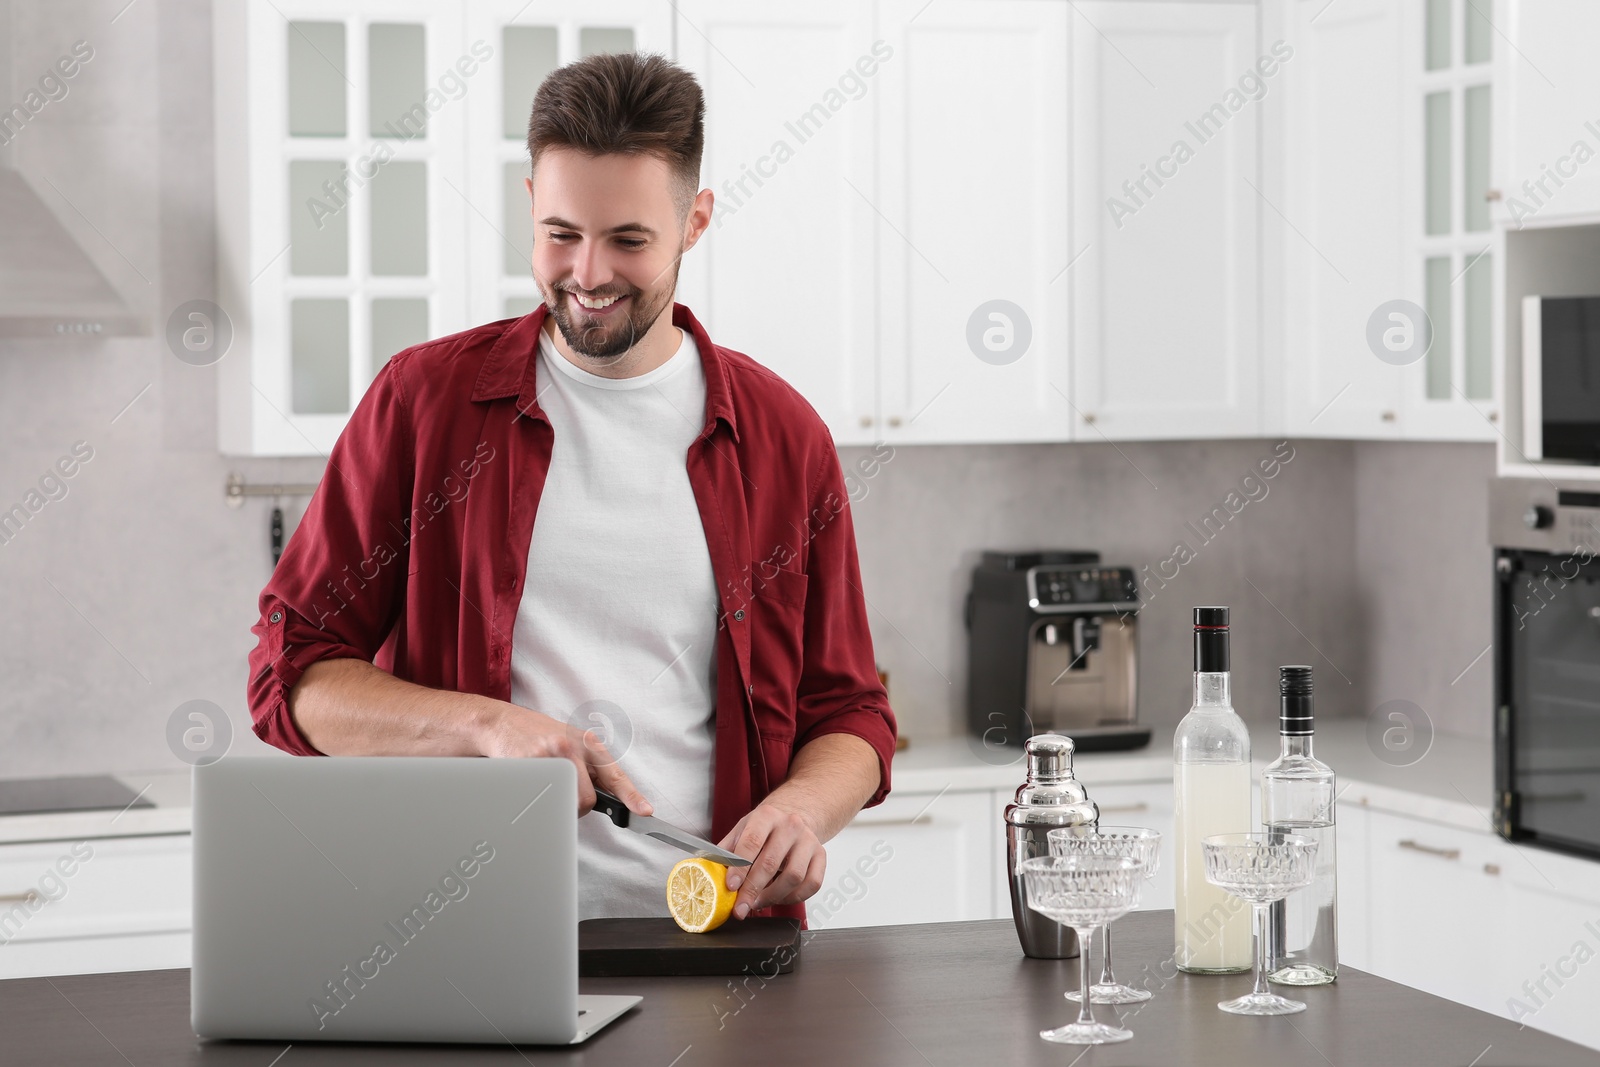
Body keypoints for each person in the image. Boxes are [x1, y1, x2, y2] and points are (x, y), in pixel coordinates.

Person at [245, 52, 897, 924]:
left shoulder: (785, 436)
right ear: (528, 207)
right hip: (465, 940)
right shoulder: (422, 402)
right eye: (560, 233)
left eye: (628, 240)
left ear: (695, 221)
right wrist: (485, 727)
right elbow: (290, 681)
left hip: (716, 939)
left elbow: (850, 711)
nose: (587, 274)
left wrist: (804, 809)